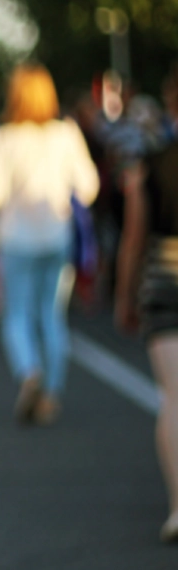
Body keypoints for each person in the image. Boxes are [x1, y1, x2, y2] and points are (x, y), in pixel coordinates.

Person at [0, 64, 99, 426]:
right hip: (56, 235)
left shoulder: (4, 138)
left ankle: (29, 371)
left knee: (16, 315)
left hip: (16, 238)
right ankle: (51, 393)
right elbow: (89, 187)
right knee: (52, 316)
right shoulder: (65, 134)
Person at [117, 115, 178, 543]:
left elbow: (134, 238)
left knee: (174, 398)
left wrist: (124, 295)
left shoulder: (152, 165)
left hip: (164, 283)